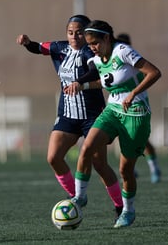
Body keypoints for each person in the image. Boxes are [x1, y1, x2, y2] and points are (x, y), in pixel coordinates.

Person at [16, 15, 123, 217]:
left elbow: (94, 71)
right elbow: (39, 48)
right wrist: (27, 43)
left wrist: (78, 81)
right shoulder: (59, 48)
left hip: (93, 116)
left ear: (87, 33)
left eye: (80, 32)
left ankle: (120, 206)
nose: (75, 36)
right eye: (71, 32)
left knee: (100, 165)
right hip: (67, 115)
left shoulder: (90, 52)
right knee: (53, 158)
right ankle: (77, 196)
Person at [68, 20, 161, 228]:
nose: (91, 47)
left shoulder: (123, 51)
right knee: (87, 148)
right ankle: (80, 197)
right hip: (112, 111)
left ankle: (128, 211)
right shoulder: (98, 58)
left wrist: (134, 93)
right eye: (89, 43)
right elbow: (107, 81)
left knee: (125, 170)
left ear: (107, 38)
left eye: (95, 43)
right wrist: (81, 85)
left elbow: (154, 72)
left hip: (136, 115)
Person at [116, 33, 162, 183]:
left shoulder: (135, 62)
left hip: (136, 105)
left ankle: (154, 167)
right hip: (118, 107)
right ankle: (131, 169)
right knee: (122, 137)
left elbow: (150, 75)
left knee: (142, 141)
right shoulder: (115, 60)